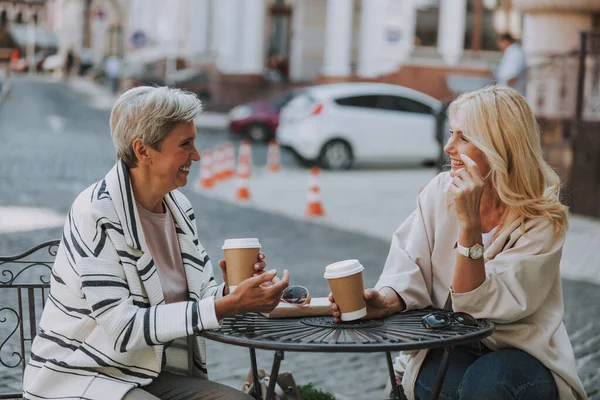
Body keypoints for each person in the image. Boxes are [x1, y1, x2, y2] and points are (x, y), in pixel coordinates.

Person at [23, 86, 290, 400]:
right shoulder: (97, 212)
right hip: (83, 374)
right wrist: (224, 305)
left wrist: (235, 291)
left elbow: (199, 297)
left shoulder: (179, 208)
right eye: (185, 144)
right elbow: (122, 329)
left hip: (151, 373)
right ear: (143, 150)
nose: (197, 155)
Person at [329, 86, 586, 400]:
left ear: (501, 146)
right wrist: (386, 299)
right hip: (452, 342)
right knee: (433, 382)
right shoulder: (441, 190)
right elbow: (410, 263)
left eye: (464, 138)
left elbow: (478, 304)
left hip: (522, 351)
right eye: (451, 133)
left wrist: (469, 224)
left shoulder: (542, 219)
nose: (449, 147)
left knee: (487, 382)